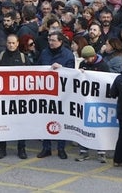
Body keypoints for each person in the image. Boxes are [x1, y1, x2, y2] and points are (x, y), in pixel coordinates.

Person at [36, 31, 74, 159]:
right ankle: (46, 148)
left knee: (60, 120)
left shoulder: (68, 55)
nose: (51, 43)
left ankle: (61, 148)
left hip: (61, 93)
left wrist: (62, 68)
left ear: (60, 41)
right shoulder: (44, 52)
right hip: (46, 92)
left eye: (53, 40)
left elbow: (71, 74)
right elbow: (37, 68)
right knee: (45, 119)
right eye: (49, 40)